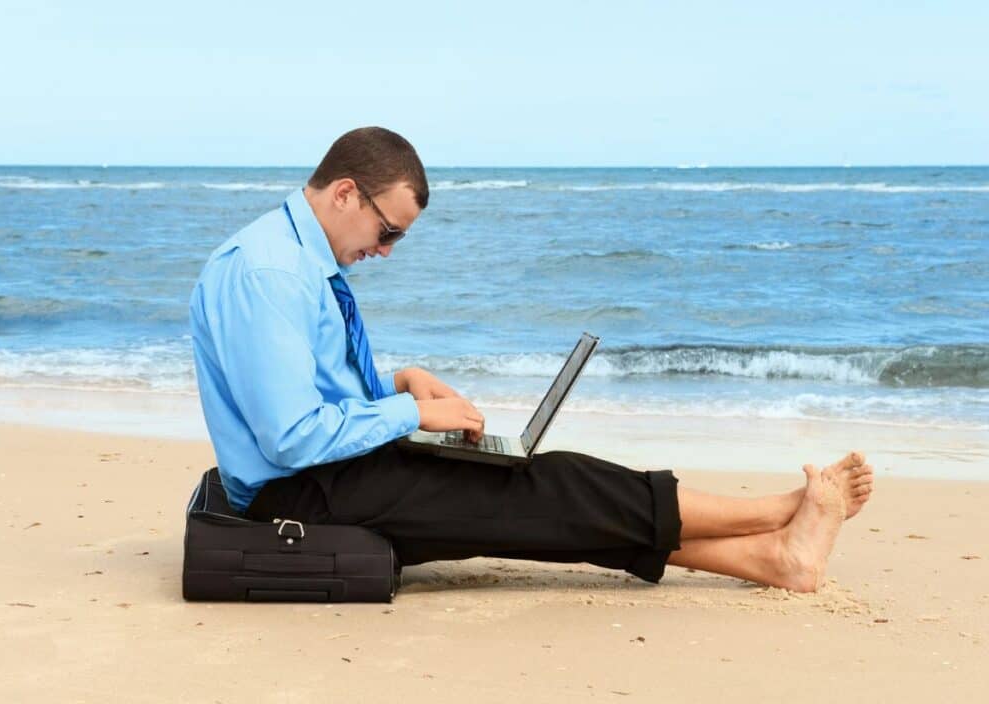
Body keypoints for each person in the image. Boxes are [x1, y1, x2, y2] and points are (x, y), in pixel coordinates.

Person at [189, 127, 874, 593]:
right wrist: (411, 412)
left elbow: (312, 391)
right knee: (540, 489)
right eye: (386, 230)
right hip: (299, 491)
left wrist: (396, 382)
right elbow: (291, 434)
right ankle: (771, 515)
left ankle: (772, 557)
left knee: (530, 496)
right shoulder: (270, 273)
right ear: (345, 193)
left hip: (325, 472)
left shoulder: (293, 261)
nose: (387, 250)